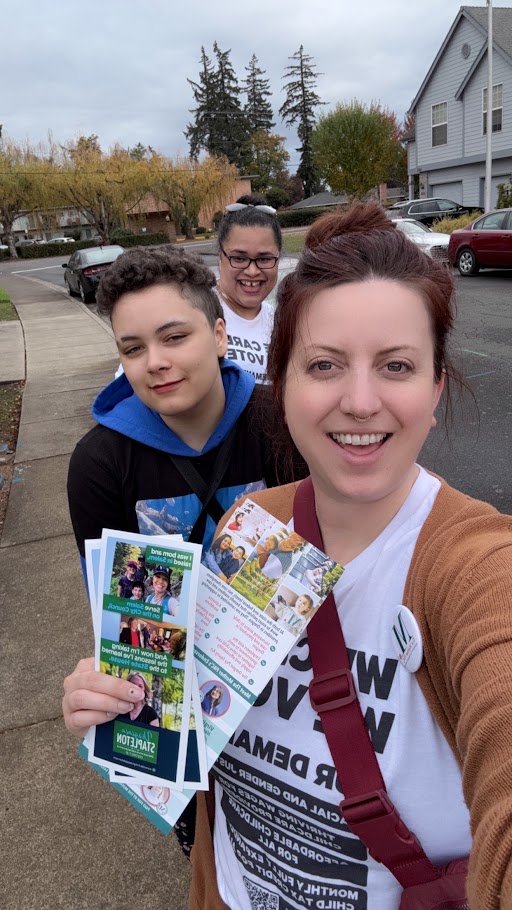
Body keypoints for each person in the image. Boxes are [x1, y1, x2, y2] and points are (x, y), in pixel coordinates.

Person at [174, 201, 512, 909]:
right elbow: (197, 722)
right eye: (325, 365)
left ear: (436, 386)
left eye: (395, 365)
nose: (361, 402)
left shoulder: (477, 570)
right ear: (284, 383)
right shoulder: (254, 524)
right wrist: (129, 702)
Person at [67, 247, 304, 589]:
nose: (154, 362)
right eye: (134, 348)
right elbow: (118, 612)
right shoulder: (99, 464)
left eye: (175, 337)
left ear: (219, 336)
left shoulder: (283, 422)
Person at [215, 194, 282, 384]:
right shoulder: (196, 310)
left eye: (264, 259)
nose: (252, 271)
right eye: (239, 258)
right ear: (220, 257)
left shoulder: (282, 322)